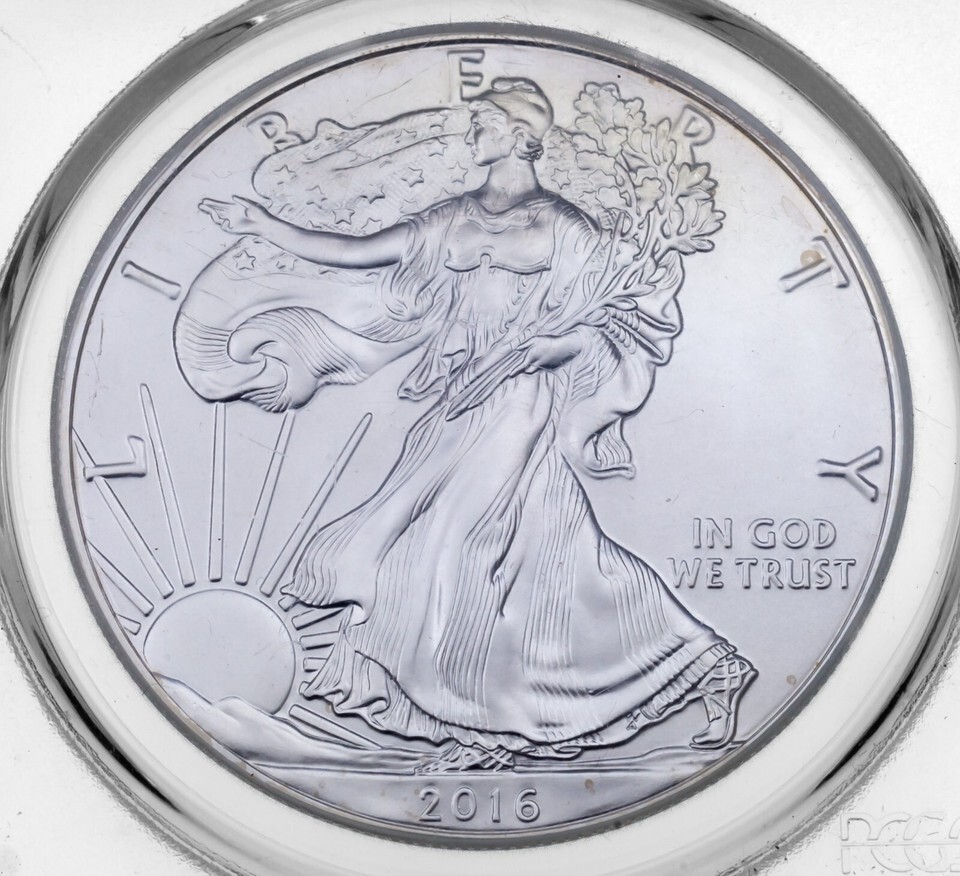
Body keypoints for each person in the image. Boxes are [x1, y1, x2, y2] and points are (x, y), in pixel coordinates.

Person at [199, 77, 754, 772]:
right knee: (558, 558)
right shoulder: (452, 218)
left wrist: (557, 344)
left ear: (520, 136)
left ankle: (483, 731)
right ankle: (703, 666)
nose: (472, 134)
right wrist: (264, 225)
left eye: (484, 124)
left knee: (458, 547)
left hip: (519, 398)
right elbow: (355, 250)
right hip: (458, 400)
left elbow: (609, 320)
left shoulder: (565, 228)